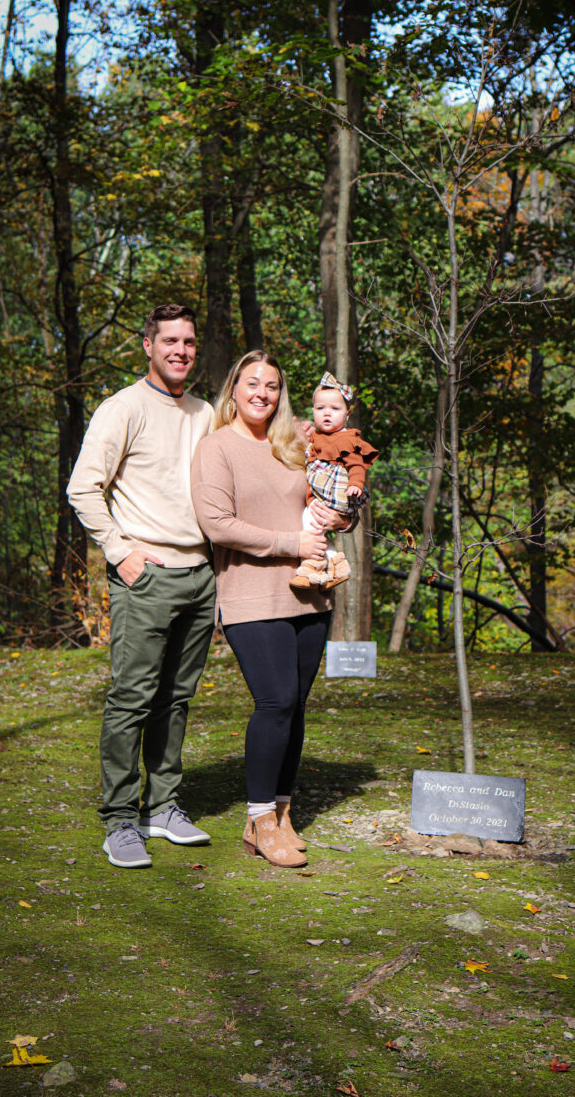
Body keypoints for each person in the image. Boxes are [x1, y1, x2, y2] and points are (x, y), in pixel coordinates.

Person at [68, 303, 216, 869]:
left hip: (200, 577)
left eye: (189, 342)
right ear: (148, 346)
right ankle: (119, 820)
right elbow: (84, 488)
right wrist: (120, 551)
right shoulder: (122, 407)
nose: (181, 350)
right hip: (145, 577)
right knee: (132, 698)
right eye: (170, 341)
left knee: (176, 700)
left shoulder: (205, 412)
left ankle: (164, 807)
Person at [190, 350, 346, 868]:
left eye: (273, 386)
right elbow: (218, 524)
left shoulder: (293, 446)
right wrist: (292, 542)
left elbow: (327, 498)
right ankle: (258, 821)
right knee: (275, 701)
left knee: (295, 706)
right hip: (251, 597)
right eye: (253, 383)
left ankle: (281, 812)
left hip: (309, 594)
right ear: (234, 387)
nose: (262, 393)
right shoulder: (216, 448)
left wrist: (336, 516)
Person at [290, 371, 378, 590]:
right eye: (320, 409)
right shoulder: (317, 436)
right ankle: (336, 565)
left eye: (334, 409)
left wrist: (356, 485)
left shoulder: (347, 438)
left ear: (347, 415)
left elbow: (357, 465)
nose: (327, 414)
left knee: (310, 520)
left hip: (335, 491)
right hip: (322, 489)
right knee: (315, 524)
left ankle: (312, 566)